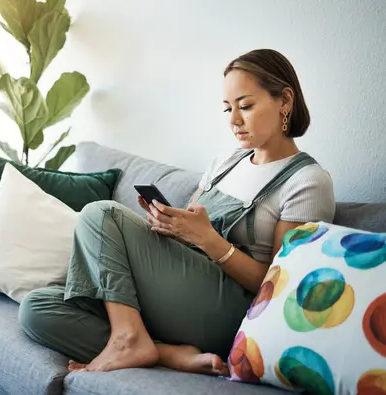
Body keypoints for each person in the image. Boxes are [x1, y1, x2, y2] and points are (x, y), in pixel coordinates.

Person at [18, 49, 336, 376]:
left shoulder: (307, 182)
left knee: (102, 215)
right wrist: (169, 224)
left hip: (230, 310)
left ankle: (128, 338)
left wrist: (210, 240)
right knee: (37, 309)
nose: (234, 121)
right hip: (182, 291)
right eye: (228, 109)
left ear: (284, 100)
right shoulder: (227, 163)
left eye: (246, 106)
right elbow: (189, 231)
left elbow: (281, 286)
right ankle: (162, 352)